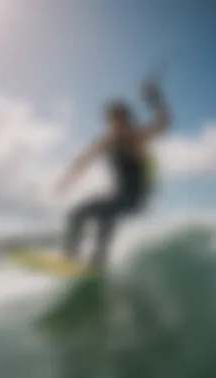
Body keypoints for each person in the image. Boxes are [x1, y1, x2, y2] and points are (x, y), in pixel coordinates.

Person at [56, 78, 171, 270]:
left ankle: (96, 260)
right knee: (77, 214)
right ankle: (75, 258)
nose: (116, 126)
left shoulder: (136, 138)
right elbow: (83, 160)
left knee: (105, 213)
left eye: (120, 120)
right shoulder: (107, 141)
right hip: (117, 196)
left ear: (127, 121)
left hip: (136, 198)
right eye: (112, 121)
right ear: (109, 122)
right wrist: (66, 180)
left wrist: (155, 97)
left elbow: (163, 124)